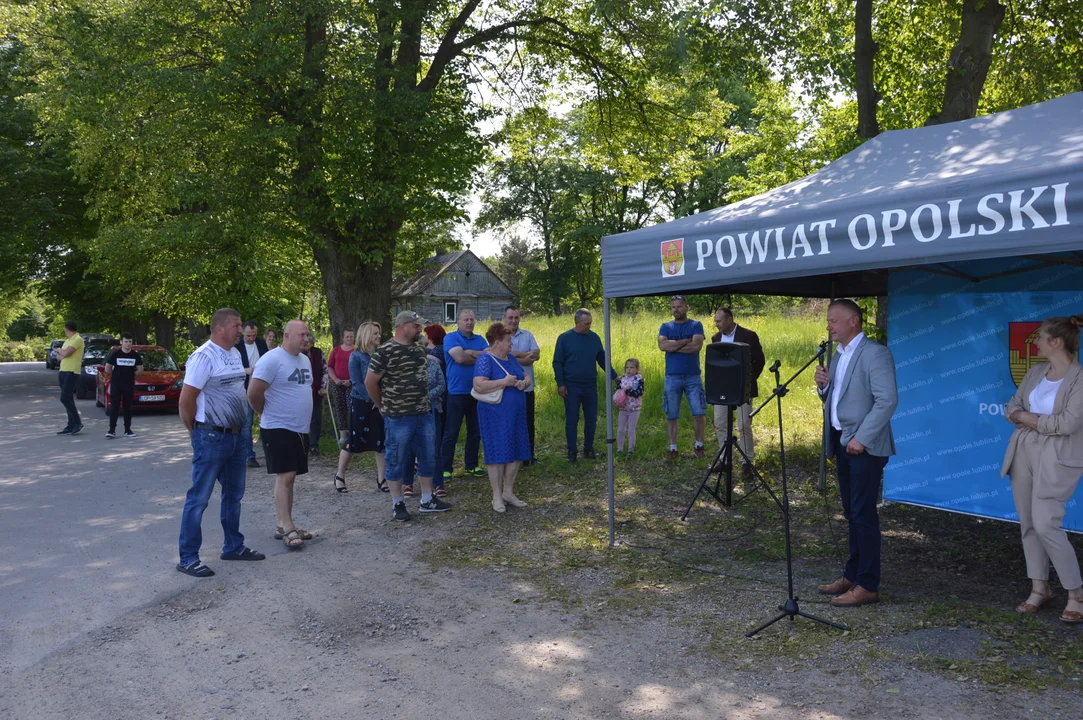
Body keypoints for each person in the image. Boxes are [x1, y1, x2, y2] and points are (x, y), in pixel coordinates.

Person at [814, 299, 898, 608]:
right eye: (828, 320)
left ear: (854, 322)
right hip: (841, 441)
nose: (829, 325)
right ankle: (852, 574)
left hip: (865, 445)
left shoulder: (875, 354)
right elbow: (837, 398)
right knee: (851, 512)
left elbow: (887, 400)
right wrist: (823, 387)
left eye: (834, 320)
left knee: (863, 514)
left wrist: (862, 438)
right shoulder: (838, 355)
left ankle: (868, 584)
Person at [1001, 315, 1083, 623]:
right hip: (1022, 450)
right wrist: (1023, 416)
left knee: (1047, 522)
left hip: (1057, 456)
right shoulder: (1035, 372)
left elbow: (1068, 424)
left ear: (1056, 342)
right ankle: (1040, 588)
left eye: (1040, 338)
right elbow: (1011, 407)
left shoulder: (1079, 378)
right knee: (1028, 523)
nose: (1034, 342)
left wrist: (1028, 418)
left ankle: (1076, 593)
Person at [177, 308, 265, 577]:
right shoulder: (203, 356)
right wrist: (196, 432)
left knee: (234, 495)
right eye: (237, 326)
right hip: (211, 436)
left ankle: (233, 546)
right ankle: (188, 557)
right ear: (219, 329)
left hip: (237, 437)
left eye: (241, 325)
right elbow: (186, 400)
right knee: (199, 498)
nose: (242, 330)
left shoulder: (234, 354)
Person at [366, 311, 453, 521]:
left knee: (427, 456)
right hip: (397, 416)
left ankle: (426, 499)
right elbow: (370, 382)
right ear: (403, 326)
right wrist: (381, 405)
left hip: (423, 413)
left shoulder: (418, 350)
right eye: (416, 326)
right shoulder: (385, 351)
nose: (420, 329)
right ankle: (398, 504)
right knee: (395, 458)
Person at [248, 320, 314, 550]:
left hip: (299, 428)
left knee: (291, 476)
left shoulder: (304, 359)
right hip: (277, 426)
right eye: (302, 335)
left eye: (307, 334)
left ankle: (283, 524)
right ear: (287, 336)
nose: (307, 338)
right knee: (285, 476)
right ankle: (287, 527)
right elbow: (254, 392)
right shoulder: (271, 359)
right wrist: (263, 412)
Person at [473, 322, 532, 512]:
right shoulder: (485, 359)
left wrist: (524, 382)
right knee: (498, 453)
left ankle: (508, 491)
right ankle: (496, 496)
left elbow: (525, 375)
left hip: (515, 414)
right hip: (495, 415)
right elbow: (479, 385)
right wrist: (504, 382)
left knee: (515, 450)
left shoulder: (511, 359)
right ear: (497, 341)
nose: (511, 344)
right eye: (508, 341)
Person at [552, 308, 618, 462]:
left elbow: (602, 360)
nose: (589, 326)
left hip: (590, 385)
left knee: (591, 419)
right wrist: (561, 384)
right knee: (572, 419)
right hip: (571, 385)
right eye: (586, 323)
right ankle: (572, 452)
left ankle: (588, 449)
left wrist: (614, 376)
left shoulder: (594, 338)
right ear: (577, 322)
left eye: (590, 323)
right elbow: (557, 362)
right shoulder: (564, 338)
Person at [711, 307, 766, 473]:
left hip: (743, 388)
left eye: (719, 321)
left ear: (729, 320)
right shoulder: (716, 338)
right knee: (720, 422)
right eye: (715, 321)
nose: (716, 324)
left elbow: (759, 361)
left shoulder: (748, 336)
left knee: (744, 424)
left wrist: (747, 380)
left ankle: (747, 461)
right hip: (722, 388)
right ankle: (725, 460)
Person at [334, 322, 386, 493]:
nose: (379, 336)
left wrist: (382, 401)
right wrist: (374, 400)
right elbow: (357, 383)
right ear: (366, 335)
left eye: (379, 333)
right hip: (362, 403)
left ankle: (382, 479)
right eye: (375, 333)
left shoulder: (381, 354)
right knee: (354, 441)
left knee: (381, 441)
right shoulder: (356, 356)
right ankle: (340, 476)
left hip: (380, 404)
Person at [657, 296, 707, 460]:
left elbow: (696, 346)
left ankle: (699, 445)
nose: (676, 310)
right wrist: (685, 341)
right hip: (672, 376)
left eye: (679, 306)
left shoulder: (696, 325)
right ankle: (673, 447)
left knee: (699, 412)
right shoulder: (666, 327)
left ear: (687, 307)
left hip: (693, 375)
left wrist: (674, 346)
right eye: (673, 307)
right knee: (671, 414)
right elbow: (663, 346)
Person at [441, 309, 488, 481]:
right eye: (465, 320)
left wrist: (471, 353)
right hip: (457, 392)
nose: (469, 322)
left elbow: (489, 357)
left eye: (471, 319)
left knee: (475, 431)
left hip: (477, 391)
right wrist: (477, 355)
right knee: (451, 432)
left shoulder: (480, 339)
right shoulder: (450, 338)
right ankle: (445, 468)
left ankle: (472, 465)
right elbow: (460, 358)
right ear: (459, 322)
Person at [401, 332, 448, 499]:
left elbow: (441, 385)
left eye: (424, 348)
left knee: (434, 447)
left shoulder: (433, 365)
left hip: (432, 410)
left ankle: (438, 483)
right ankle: (407, 483)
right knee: (409, 447)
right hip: (410, 411)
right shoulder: (405, 366)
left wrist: (427, 396)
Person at [505, 306, 541, 464]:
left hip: (527, 387)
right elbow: (501, 356)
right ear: (504, 318)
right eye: (510, 317)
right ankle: (511, 456)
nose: (514, 321)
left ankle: (529, 456)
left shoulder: (527, 335)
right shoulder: (499, 337)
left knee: (528, 422)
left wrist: (514, 355)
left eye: (516, 317)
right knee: (510, 422)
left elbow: (536, 354)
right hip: (507, 389)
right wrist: (524, 356)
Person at [235, 321, 269, 468]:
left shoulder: (262, 345)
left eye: (254, 335)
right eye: (249, 335)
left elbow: (269, 363)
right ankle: (249, 456)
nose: (251, 338)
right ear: (243, 332)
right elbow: (232, 369)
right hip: (245, 389)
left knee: (267, 423)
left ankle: (270, 453)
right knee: (247, 425)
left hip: (262, 389)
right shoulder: (236, 348)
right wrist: (246, 370)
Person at [104, 332, 144, 438]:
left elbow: (140, 370)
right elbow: (107, 368)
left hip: (129, 385)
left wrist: (130, 375)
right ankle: (111, 430)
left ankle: (128, 430)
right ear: (121, 342)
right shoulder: (115, 354)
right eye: (126, 342)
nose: (128, 344)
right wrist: (116, 375)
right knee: (114, 407)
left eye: (130, 342)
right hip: (116, 384)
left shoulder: (135, 355)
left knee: (128, 407)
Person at [327, 328, 356, 448]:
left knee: (351, 408)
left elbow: (360, 369)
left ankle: (353, 433)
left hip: (351, 384)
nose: (349, 339)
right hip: (337, 383)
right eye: (347, 337)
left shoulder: (356, 350)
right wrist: (336, 379)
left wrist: (350, 381)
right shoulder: (336, 350)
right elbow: (329, 367)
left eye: (351, 336)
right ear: (343, 338)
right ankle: (343, 435)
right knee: (340, 408)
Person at [55, 320, 84, 436]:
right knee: (68, 399)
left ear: (67, 329)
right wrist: (62, 353)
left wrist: (59, 350)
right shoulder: (67, 341)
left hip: (72, 371)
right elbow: (59, 357)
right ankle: (70, 424)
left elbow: (66, 354)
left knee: (64, 398)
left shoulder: (78, 339)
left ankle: (78, 422)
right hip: (63, 371)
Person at [300, 333, 327, 456]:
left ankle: (314, 445)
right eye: (306, 343)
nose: (307, 345)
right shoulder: (298, 354)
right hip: (302, 392)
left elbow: (325, 370)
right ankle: (302, 444)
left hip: (316, 391)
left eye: (310, 343)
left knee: (316, 419)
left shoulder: (318, 353)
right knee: (303, 418)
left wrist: (323, 386)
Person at [615, 358, 645, 455]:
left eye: (632, 367)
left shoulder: (639, 380)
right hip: (623, 408)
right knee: (621, 429)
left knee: (631, 429)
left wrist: (627, 390)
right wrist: (618, 395)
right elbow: (618, 390)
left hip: (634, 409)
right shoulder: (622, 379)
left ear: (637, 369)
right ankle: (619, 449)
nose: (629, 370)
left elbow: (638, 393)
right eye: (627, 367)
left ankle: (630, 449)